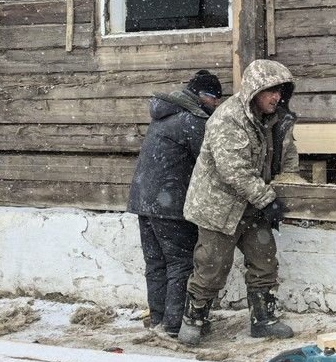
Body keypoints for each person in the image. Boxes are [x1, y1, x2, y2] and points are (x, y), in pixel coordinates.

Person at [178, 59, 300, 345]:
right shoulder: (228, 118)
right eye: (271, 91)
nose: (277, 97)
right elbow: (233, 169)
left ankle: (264, 319)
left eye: (281, 91)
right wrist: (268, 199)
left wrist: (289, 185)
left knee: (264, 260)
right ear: (254, 90)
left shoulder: (274, 120)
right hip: (218, 206)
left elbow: (288, 154)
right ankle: (193, 321)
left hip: (253, 206)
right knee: (212, 266)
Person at [127, 70, 222, 338]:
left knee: (156, 263)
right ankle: (174, 324)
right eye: (216, 99)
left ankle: (157, 318)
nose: (216, 106)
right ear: (205, 96)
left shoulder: (164, 115)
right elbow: (208, 162)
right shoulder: (192, 121)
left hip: (142, 200)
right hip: (169, 204)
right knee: (180, 263)